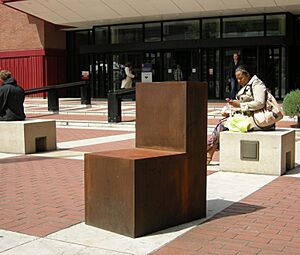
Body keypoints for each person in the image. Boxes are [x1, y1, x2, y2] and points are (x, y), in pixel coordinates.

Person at [207, 65, 271, 165]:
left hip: (260, 120)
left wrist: (240, 104)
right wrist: (233, 106)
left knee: (222, 126)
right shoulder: (248, 85)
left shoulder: (257, 84)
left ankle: (208, 151)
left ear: (247, 75)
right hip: (250, 117)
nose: (238, 80)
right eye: (237, 78)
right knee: (222, 123)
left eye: (241, 78)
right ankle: (208, 152)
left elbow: (260, 103)